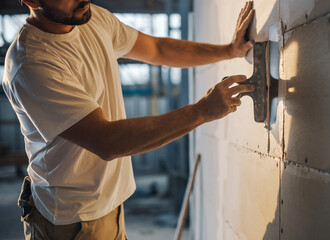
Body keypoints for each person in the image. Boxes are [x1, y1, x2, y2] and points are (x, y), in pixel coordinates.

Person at [2, 0, 255, 239]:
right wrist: (201, 111)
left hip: (109, 207)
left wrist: (229, 50)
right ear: (32, 1)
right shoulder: (32, 62)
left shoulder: (91, 17)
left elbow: (158, 49)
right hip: (71, 221)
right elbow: (108, 141)